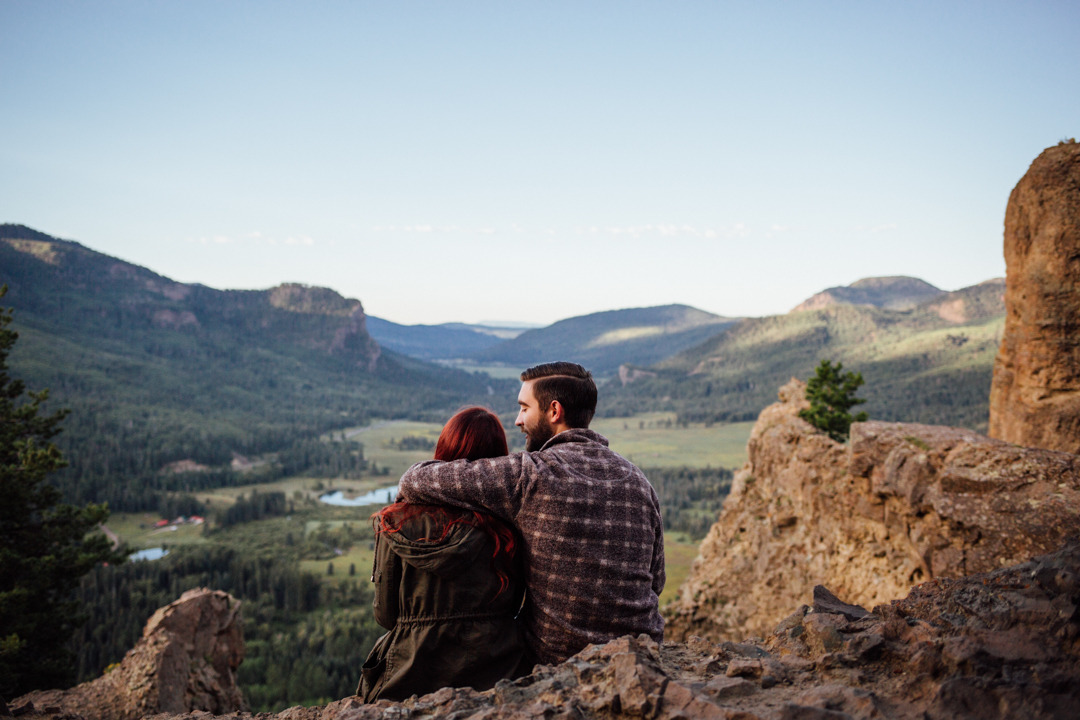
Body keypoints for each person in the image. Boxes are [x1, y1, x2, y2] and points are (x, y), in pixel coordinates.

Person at [397, 362, 664, 665]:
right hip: (643, 657)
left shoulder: (530, 474)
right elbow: (655, 582)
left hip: (559, 662)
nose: (517, 420)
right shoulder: (639, 481)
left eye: (524, 408)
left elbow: (415, 479)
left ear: (554, 411)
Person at [357, 407, 531, 702]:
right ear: (497, 458)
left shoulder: (396, 521)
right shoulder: (511, 524)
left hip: (409, 674)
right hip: (501, 669)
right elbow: (518, 606)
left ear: (444, 450)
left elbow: (386, 616)